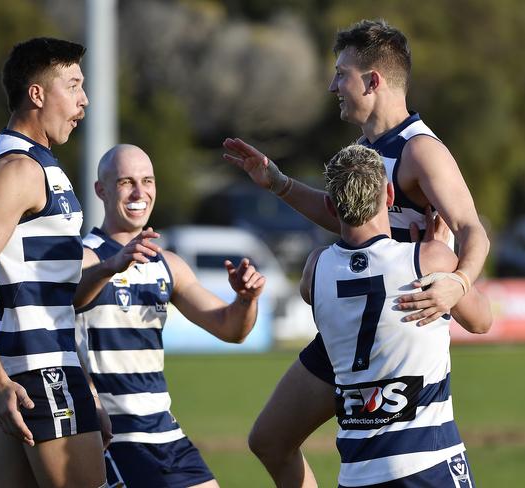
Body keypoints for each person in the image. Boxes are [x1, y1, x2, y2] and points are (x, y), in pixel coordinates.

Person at [223, 19, 490, 487]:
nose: (333, 86)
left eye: (340, 73)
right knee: (269, 438)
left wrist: (459, 283)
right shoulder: (364, 151)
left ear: (373, 81)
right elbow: (351, 221)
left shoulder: (420, 150)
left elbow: (472, 229)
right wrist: (279, 184)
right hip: (358, 322)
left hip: (404, 326)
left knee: (403, 456)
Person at [0, 38, 107, 488]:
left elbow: (41, 289)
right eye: (73, 86)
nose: (83, 99)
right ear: (37, 95)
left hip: (34, 373)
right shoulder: (19, 169)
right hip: (38, 373)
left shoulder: (32, 163)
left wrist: (84, 388)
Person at [73, 143, 266, 488]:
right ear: (101, 190)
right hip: (111, 435)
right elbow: (70, 297)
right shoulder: (85, 257)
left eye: (147, 181)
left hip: (163, 430)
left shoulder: (168, 264)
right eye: (125, 182)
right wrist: (111, 266)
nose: (139, 192)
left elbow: (230, 329)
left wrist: (245, 300)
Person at [298, 144, 491, 486]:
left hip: (357, 471)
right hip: (427, 461)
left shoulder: (314, 270)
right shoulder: (429, 260)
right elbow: (481, 321)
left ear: (330, 205)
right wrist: (443, 253)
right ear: (389, 195)